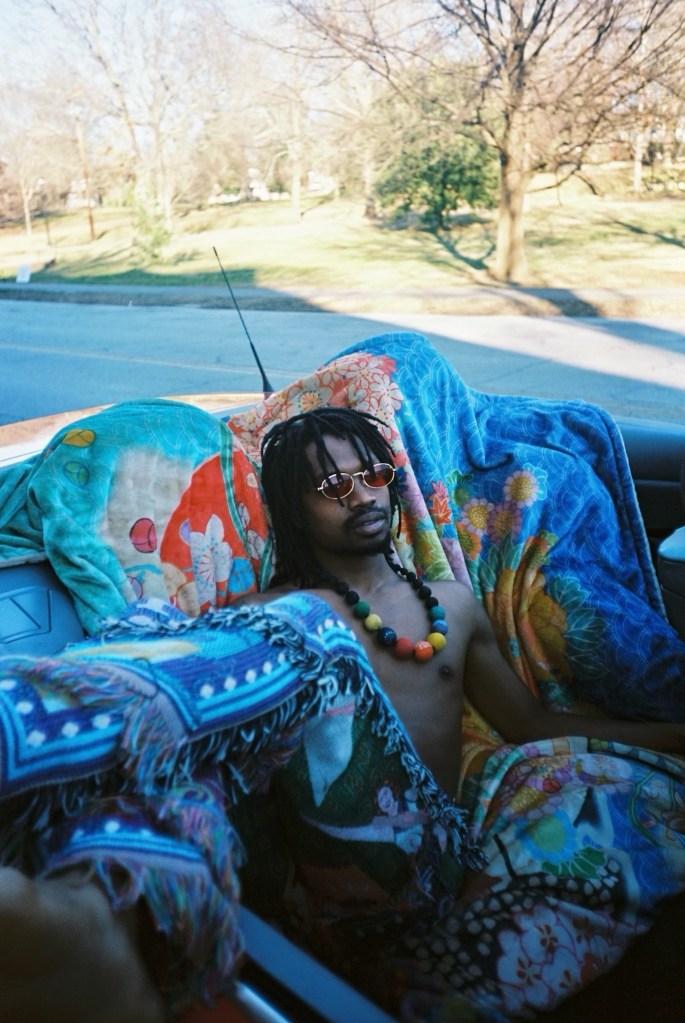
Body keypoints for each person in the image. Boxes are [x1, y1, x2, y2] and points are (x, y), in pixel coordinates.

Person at [247, 405, 685, 797]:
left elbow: (529, 726)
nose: (363, 497)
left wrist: (674, 736)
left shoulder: (451, 606)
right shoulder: (272, 620)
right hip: (339, 863)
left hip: (451, 843)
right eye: (334, 485)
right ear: (294, 513)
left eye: (375, 475)